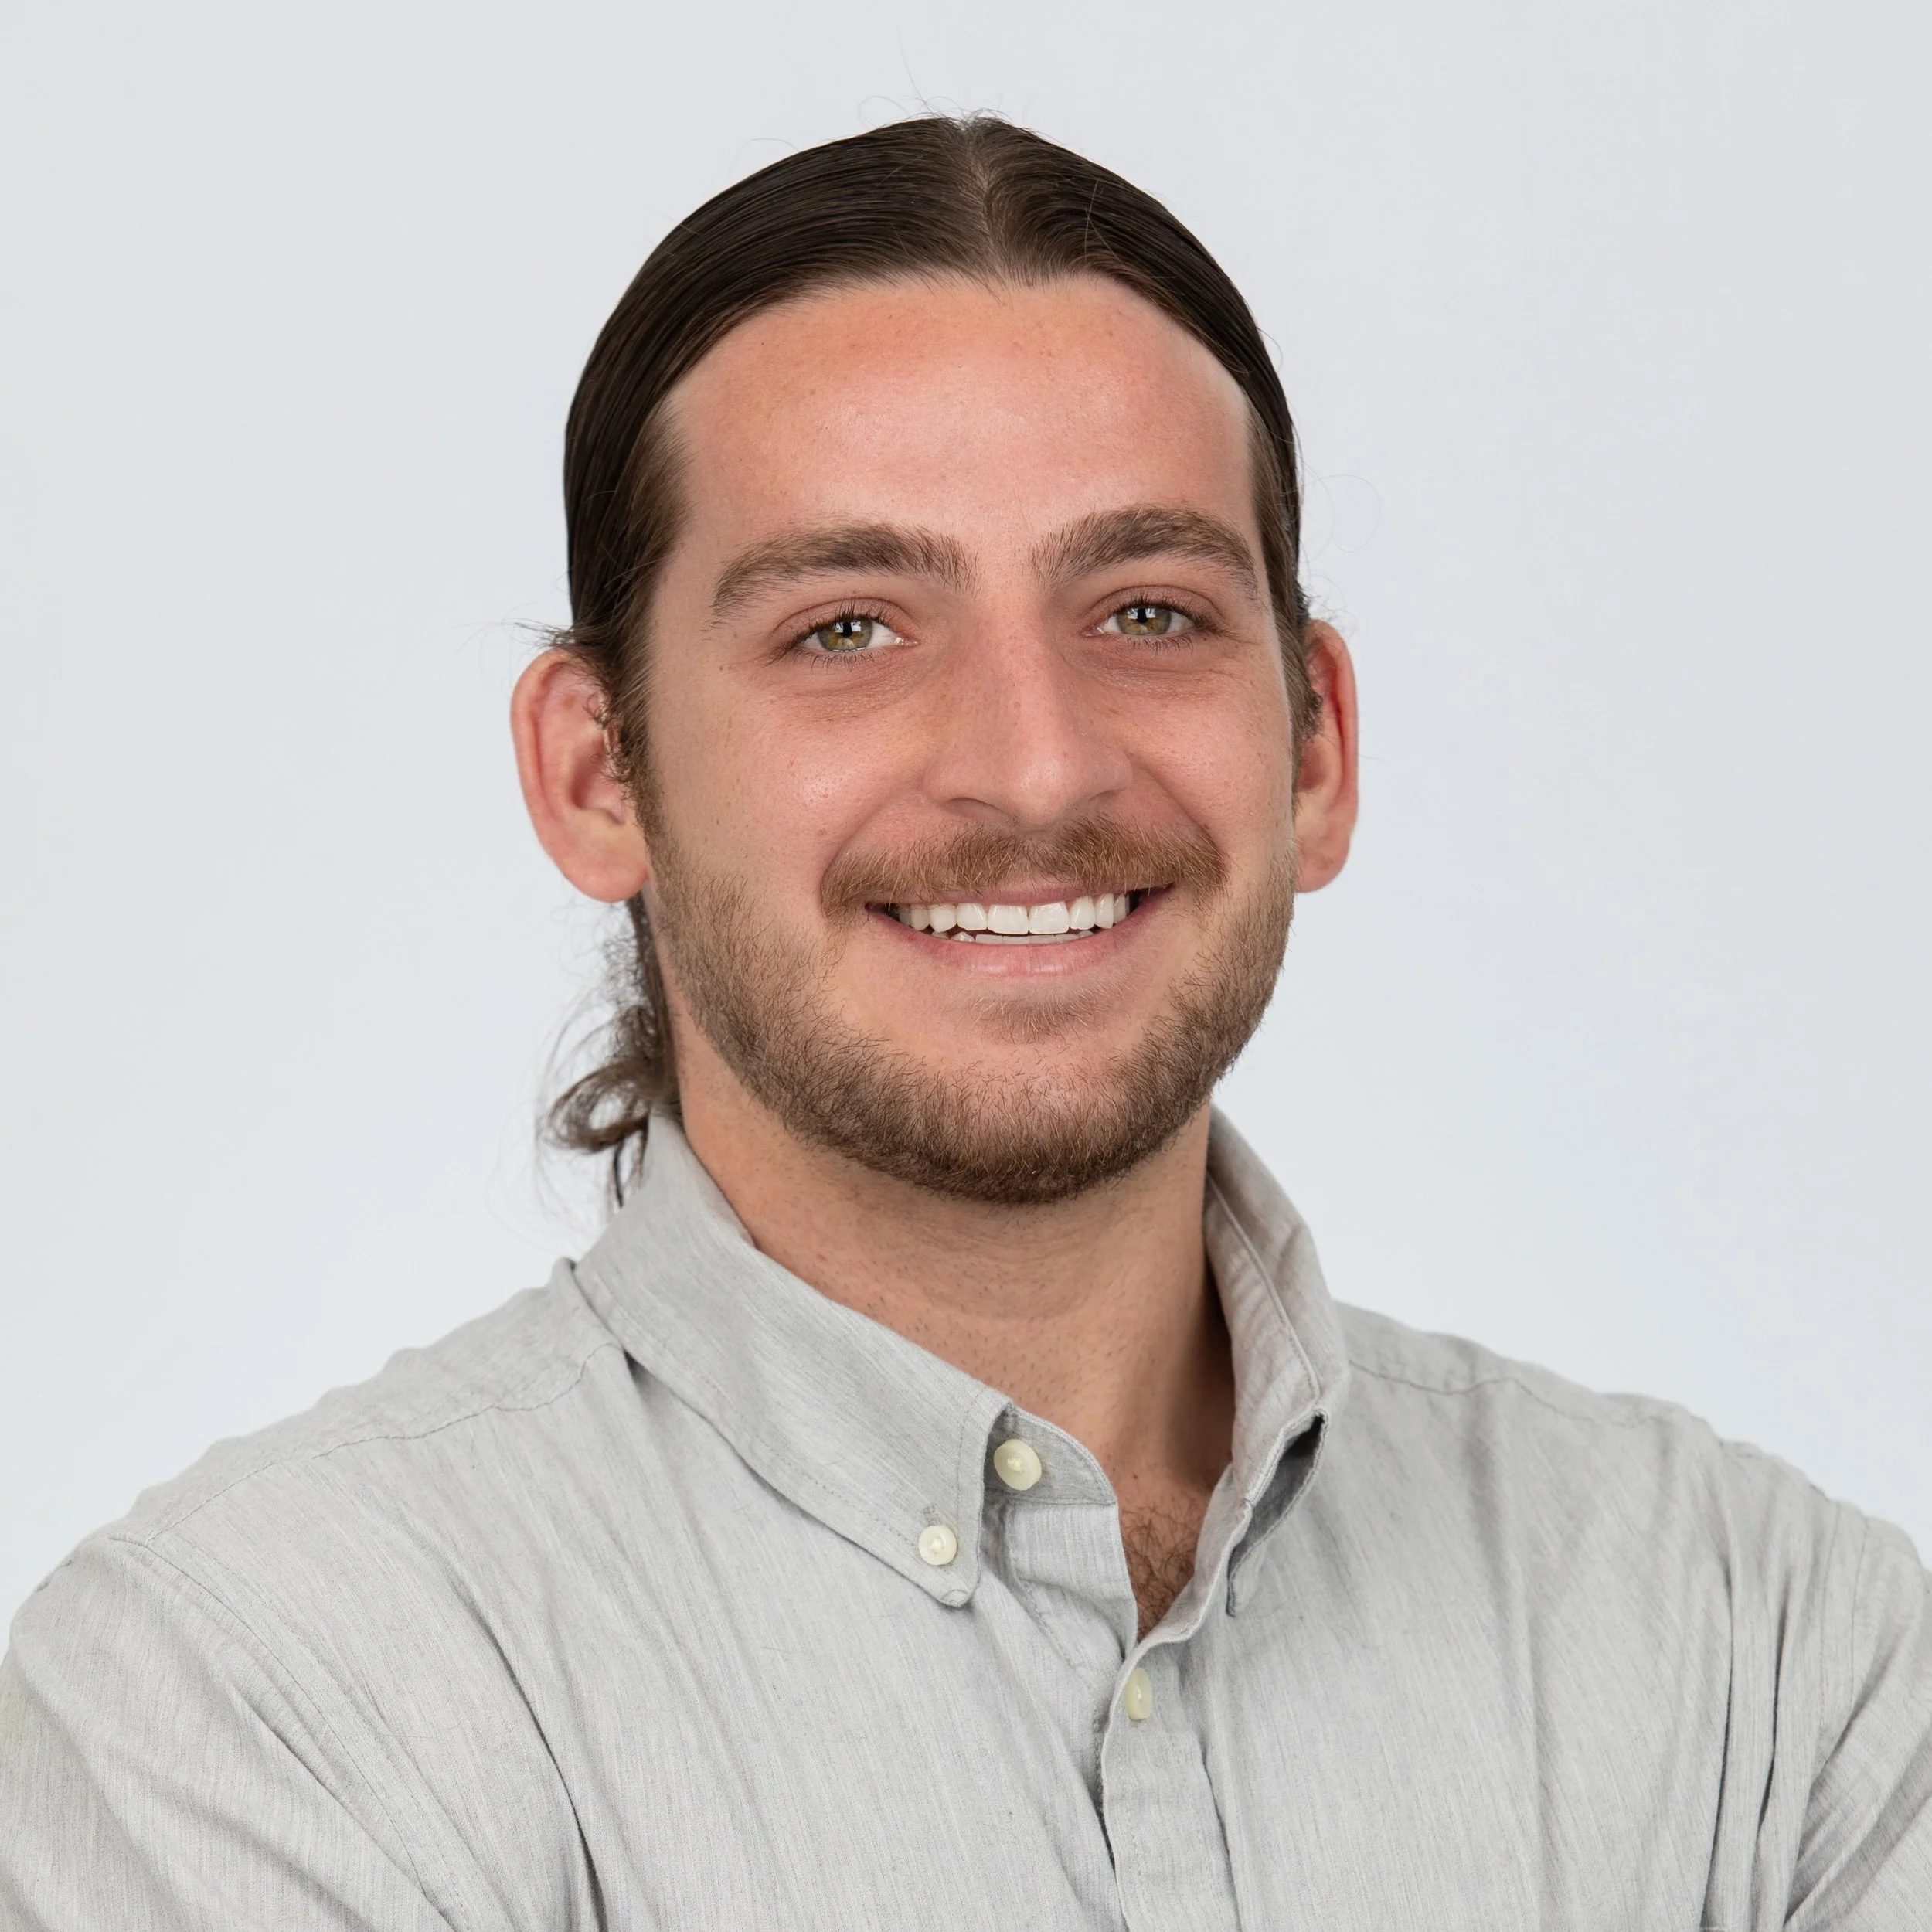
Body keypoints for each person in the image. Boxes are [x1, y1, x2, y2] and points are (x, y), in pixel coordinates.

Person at [2, 113, 1926, 1930]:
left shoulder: (1767, 1647)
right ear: (598, 772)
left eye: (1147, 609)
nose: (1030, 765)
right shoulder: (249, 1696)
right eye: (846, 625)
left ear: (1316, 742)